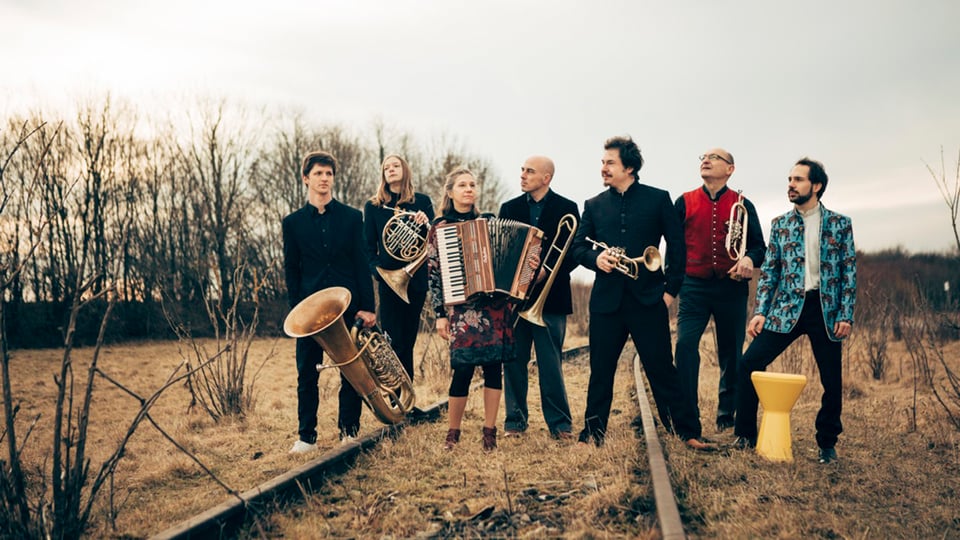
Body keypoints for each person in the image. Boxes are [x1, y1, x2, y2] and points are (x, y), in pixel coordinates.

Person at [571, 135, 713, 451]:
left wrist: (670, 291)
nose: (604, 168)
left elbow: (678, 247)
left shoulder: (658, 199)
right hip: (607, 302)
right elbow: (577, 248)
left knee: (661, 368)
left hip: (649, 298)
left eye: (610, 162)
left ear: (629, 167)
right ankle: (592, 435)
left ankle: (687, 431)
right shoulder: (593, 205)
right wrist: (597, 259)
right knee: (601, 370)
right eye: (603, 162)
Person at [732, 157, 857, 465]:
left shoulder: (840, 224)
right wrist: (760, 310)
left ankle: (827, 443)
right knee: (748, 363)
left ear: (816, 186)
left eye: (798, 180)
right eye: (789, 179)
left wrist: (845, 314)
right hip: (787, 309)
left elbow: (849, 271)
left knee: (832, 381)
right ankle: (745, 435)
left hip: (826, 311)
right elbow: (771, 271)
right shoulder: (780, 225)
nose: (791, 184)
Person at [283, 150, 377, 454]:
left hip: (347, 306)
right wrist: (298, 312)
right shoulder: (292, 223)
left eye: (329, 174)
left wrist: (369, 307)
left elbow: (362, 264)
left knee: (351, 370)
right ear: (306, 178)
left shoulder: (352, 217)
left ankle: (348, 431)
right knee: (306, 374)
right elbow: (292, 270)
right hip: (310, 311)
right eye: (318, 174)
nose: (324, 179)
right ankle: (306, 437)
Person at [674, 149, 766, 435]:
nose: (706, 159)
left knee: (732, 354)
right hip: (693, 287)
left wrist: (749, 259)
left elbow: (759, 247)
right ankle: (687, 418)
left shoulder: (743, 204)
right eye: (703, 156)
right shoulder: (684, 201)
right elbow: (674, 249)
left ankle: (727, 416)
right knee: (685, 347)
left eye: (715, 157)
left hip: (731, 287)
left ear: (730, 169)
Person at [427, 167, 517, 451]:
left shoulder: (489, 222)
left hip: (494, 308)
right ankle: (453, 432)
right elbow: (434, 274)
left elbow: (507, 257)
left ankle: (489, 431)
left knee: (494, 368)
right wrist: (440, 314)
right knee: (462, 370)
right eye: (462, 185)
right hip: (463, 311)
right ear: (450, 192)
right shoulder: (440, 228)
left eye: (472, 185)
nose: (468, 189)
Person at [499, 155, 580, 440]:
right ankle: (514, 422)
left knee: (550, 364)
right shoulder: (509, 208)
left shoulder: (567, 208)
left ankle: (560, 425)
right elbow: (502, 250)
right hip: (516, 299)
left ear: (546, 178)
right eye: (522, 169)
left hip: (552, 298)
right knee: (513, 362)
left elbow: (573, 250)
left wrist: (548, 269)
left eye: (530, 171)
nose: (522, 175)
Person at [363, 154, 435, 381]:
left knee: (408, 341)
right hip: (389, 281)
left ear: (405, 170)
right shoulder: (374, 206)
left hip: (416, 282)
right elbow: (368, 246)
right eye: (387, 167)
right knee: (392, 341)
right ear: (383, 175)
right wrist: (377, 272)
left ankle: (407, 400)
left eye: (396, 166)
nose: (391, 170)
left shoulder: (422, 202)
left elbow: (431, 243)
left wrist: (426, 224)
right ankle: (397, 400)